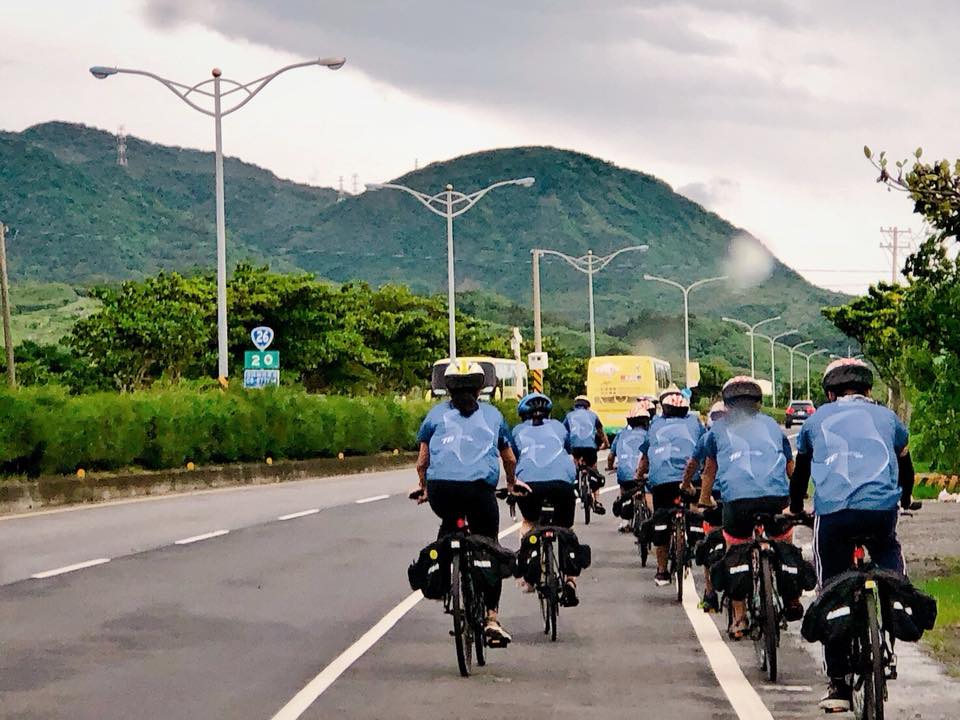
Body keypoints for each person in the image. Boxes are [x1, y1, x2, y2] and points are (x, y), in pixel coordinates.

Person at [790, 359, 914, 713]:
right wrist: (904, 498)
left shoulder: (815, 420)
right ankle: (895, 599)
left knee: (830, 589)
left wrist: (797, 506)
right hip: (880, 511)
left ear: (829, 393)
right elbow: (905, 467)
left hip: (834, 514)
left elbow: (800, 475)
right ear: (869, 391)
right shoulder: (889, 418)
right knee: (889, 547)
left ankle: (839, 685)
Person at [414, 360, 519, 646]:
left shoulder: (435, 415)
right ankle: (491, 618)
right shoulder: (493, 415)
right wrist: (511, 483)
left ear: (447, 387)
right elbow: (509, 458)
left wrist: (424, 489)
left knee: (449, 527)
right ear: (482, 386)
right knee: (489, 543)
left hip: (442, 493)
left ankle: (448, 579)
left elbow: (422, 462)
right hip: (479, 493)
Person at [693, 377, 799, 637]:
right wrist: (795, 500)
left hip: (738, 502)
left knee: (735, 549)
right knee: (784, 540)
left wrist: (704, 500)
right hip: (776, 496)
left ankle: (739, 618)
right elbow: (790, 466)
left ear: (727, 404)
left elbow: (709, 470)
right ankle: (793, 597)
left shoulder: (717, 430)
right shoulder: (772, 426)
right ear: (759, 403)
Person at [511, 391, 579, 605]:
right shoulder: (559, 427)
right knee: (567, 529)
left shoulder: (517, 431)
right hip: (562, 485)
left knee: (529, 523)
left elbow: (512, 458)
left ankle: (528, 577)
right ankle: (570, 581)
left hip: (529, 486)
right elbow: (569, 452)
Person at [636, 387, 704, 586]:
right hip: (690, 479)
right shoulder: (695, 423)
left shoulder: (655, 425)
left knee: (661, 519)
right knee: (694, 507)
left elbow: (646, 458)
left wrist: (639, 476)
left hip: (661, 481)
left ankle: (662, 571)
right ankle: (692, 542)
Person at [682, 400, 727, 612]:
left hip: (717, 494)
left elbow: (698, 466)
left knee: (709, 539)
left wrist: (687, 486)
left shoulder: (708, 437)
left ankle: (709, 593)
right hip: (752, 495)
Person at [607, 403, 651, 533]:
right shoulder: (649, 435)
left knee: (624, 490)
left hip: (624, 475)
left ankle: (625, 521)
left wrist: (610, 467)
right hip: (643, 472)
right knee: (649, 491)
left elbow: (611, 456)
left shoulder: (621, 434)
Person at [563, 395, 609, 515]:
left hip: (575, 447)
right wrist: (606, 444)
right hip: (590, 447)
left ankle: (575, 482)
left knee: (575, 463)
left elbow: (563, 433)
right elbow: (600, 432)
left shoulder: (569, 416)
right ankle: (596, 501)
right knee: (594, 469)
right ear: (587, 406)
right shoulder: (593, 415)